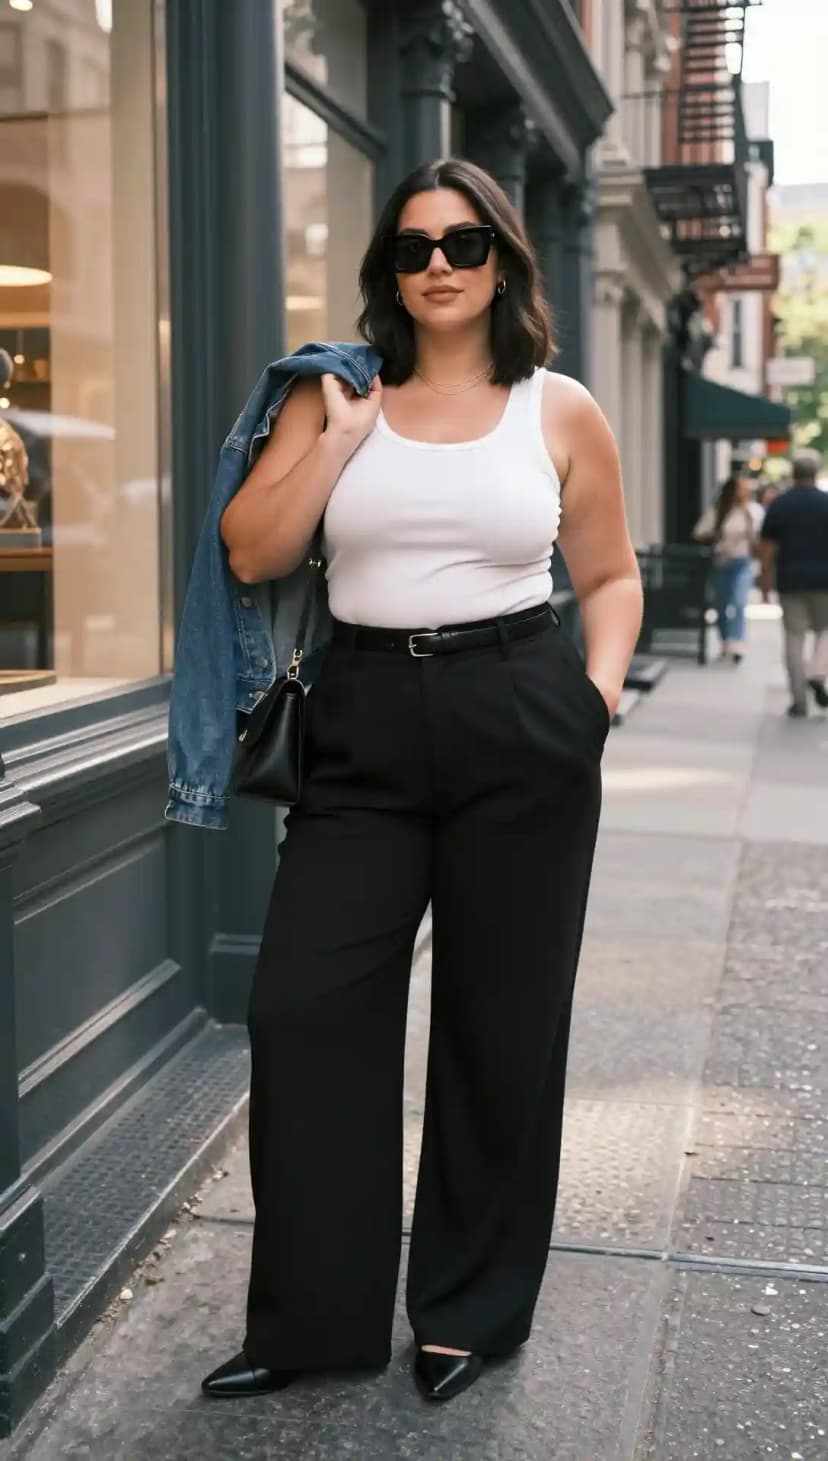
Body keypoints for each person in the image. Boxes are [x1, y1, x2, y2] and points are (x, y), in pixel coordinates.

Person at [199, 158, 643, 1405]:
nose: (438, 265)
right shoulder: (337, 397)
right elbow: (252, 550)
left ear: (503, 257)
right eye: (412, 249)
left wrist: (591, 707)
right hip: (367, 723)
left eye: (462, 242)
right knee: (304, 1009)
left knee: (502, 1029)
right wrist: (337, 445)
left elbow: (610, 579)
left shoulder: (558, 409)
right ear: (387, 273)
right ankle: (312, 1321)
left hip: (522, 716)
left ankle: (468, 1311)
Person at [759, 447, 828, 717]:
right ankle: (817, 672)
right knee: (825, 633)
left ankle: (799, 701)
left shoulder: (780, 505)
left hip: (791, 581)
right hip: (825, 582)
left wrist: (765, 583)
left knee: (794, 639)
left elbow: (766, 549)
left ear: (793, 474)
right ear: (815, 473)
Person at [693, 473, 763, 664]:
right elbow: (699, 532)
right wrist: (715, 535)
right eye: (741, 488)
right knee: (721, 605)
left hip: (743, 562)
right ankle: (725, 641)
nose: (744, 492)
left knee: (739, 602)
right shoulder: (718, 511)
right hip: (721, 562)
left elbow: (761, 537)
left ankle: (737, 643)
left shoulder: (753, 511)